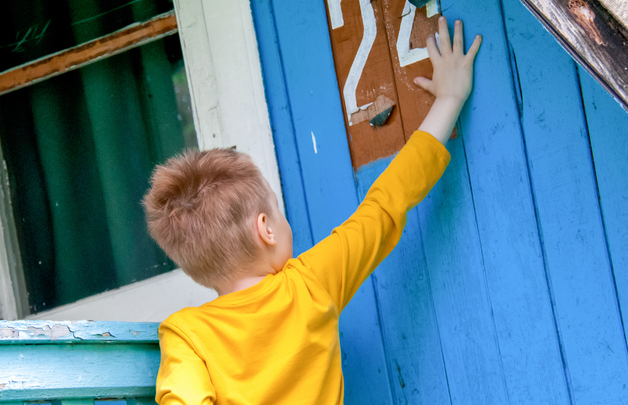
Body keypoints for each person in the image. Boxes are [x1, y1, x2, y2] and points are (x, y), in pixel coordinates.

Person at [145, 17, 481, 405]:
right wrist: (450, 99)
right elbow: (386, 203)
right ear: (265, 230)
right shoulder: (309, 283)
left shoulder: (186, 333)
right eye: (277, 209)